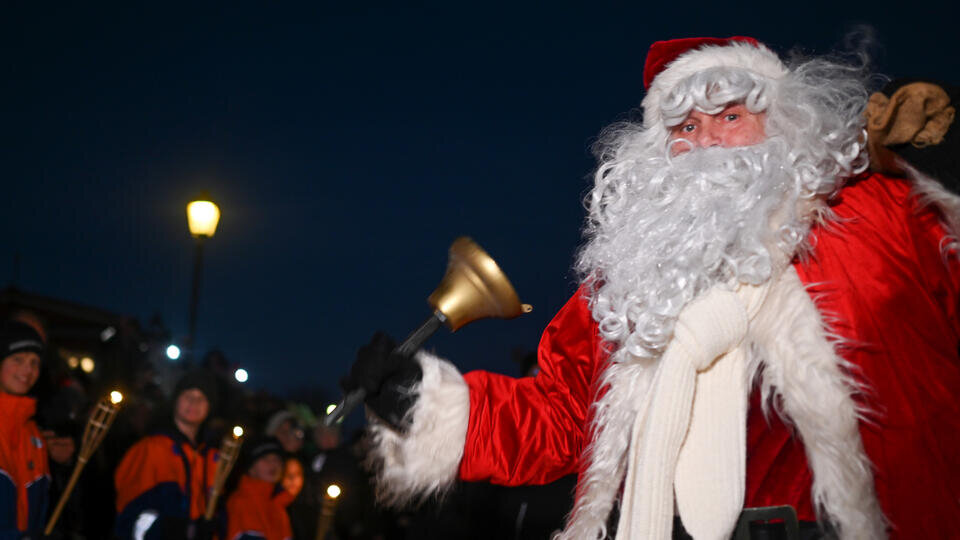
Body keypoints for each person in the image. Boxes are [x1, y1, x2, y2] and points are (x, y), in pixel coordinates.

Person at [344, 36, 960, 539]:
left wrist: (946, 175)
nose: (704, 140)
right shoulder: (631, 280)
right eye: (684, 126)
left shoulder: (882, 215)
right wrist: (426, 404)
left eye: (729, 116)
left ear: (788, 125)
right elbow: (560, 418)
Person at [114, 369, 220, 540]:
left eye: (202, 398)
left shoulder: (213, 457)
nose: (194, 403)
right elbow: (129, 507)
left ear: (209, 407)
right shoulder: (151, 447)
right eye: (188, 396)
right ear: (176, 401)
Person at [0, 321, 50, 539]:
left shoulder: (33, 434)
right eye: (17, 359)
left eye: (35, 362)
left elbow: (40, 507)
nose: (28, 370)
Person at [225, 437, 293, 540]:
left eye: (277, 459)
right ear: (251, 468)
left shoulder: (279, 504)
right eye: (265, 458)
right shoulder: (242, 502)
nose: (272, 464)